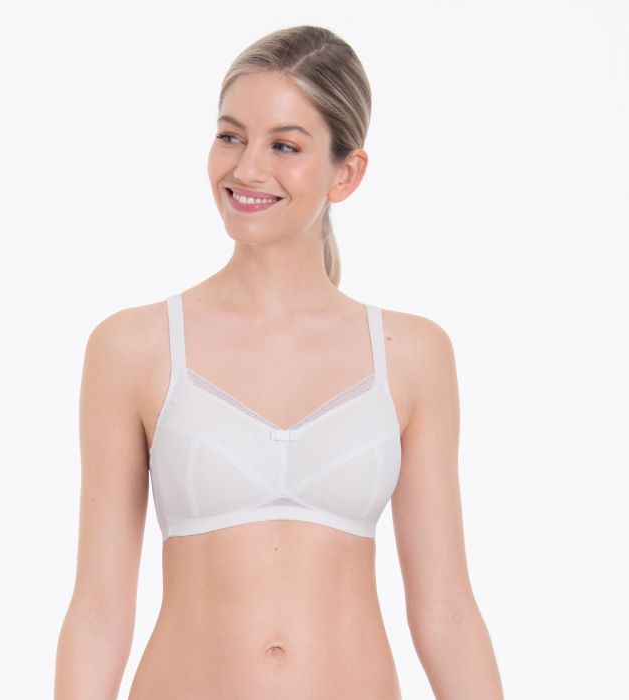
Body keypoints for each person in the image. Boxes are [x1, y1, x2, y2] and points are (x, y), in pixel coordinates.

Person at [54, 24, 504, 700]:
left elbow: (447, 612)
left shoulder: (412, 356)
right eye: (230, 136)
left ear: (346, 173)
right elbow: (98, 615)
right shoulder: (133, 348)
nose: (246, 169)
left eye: (284, 146)